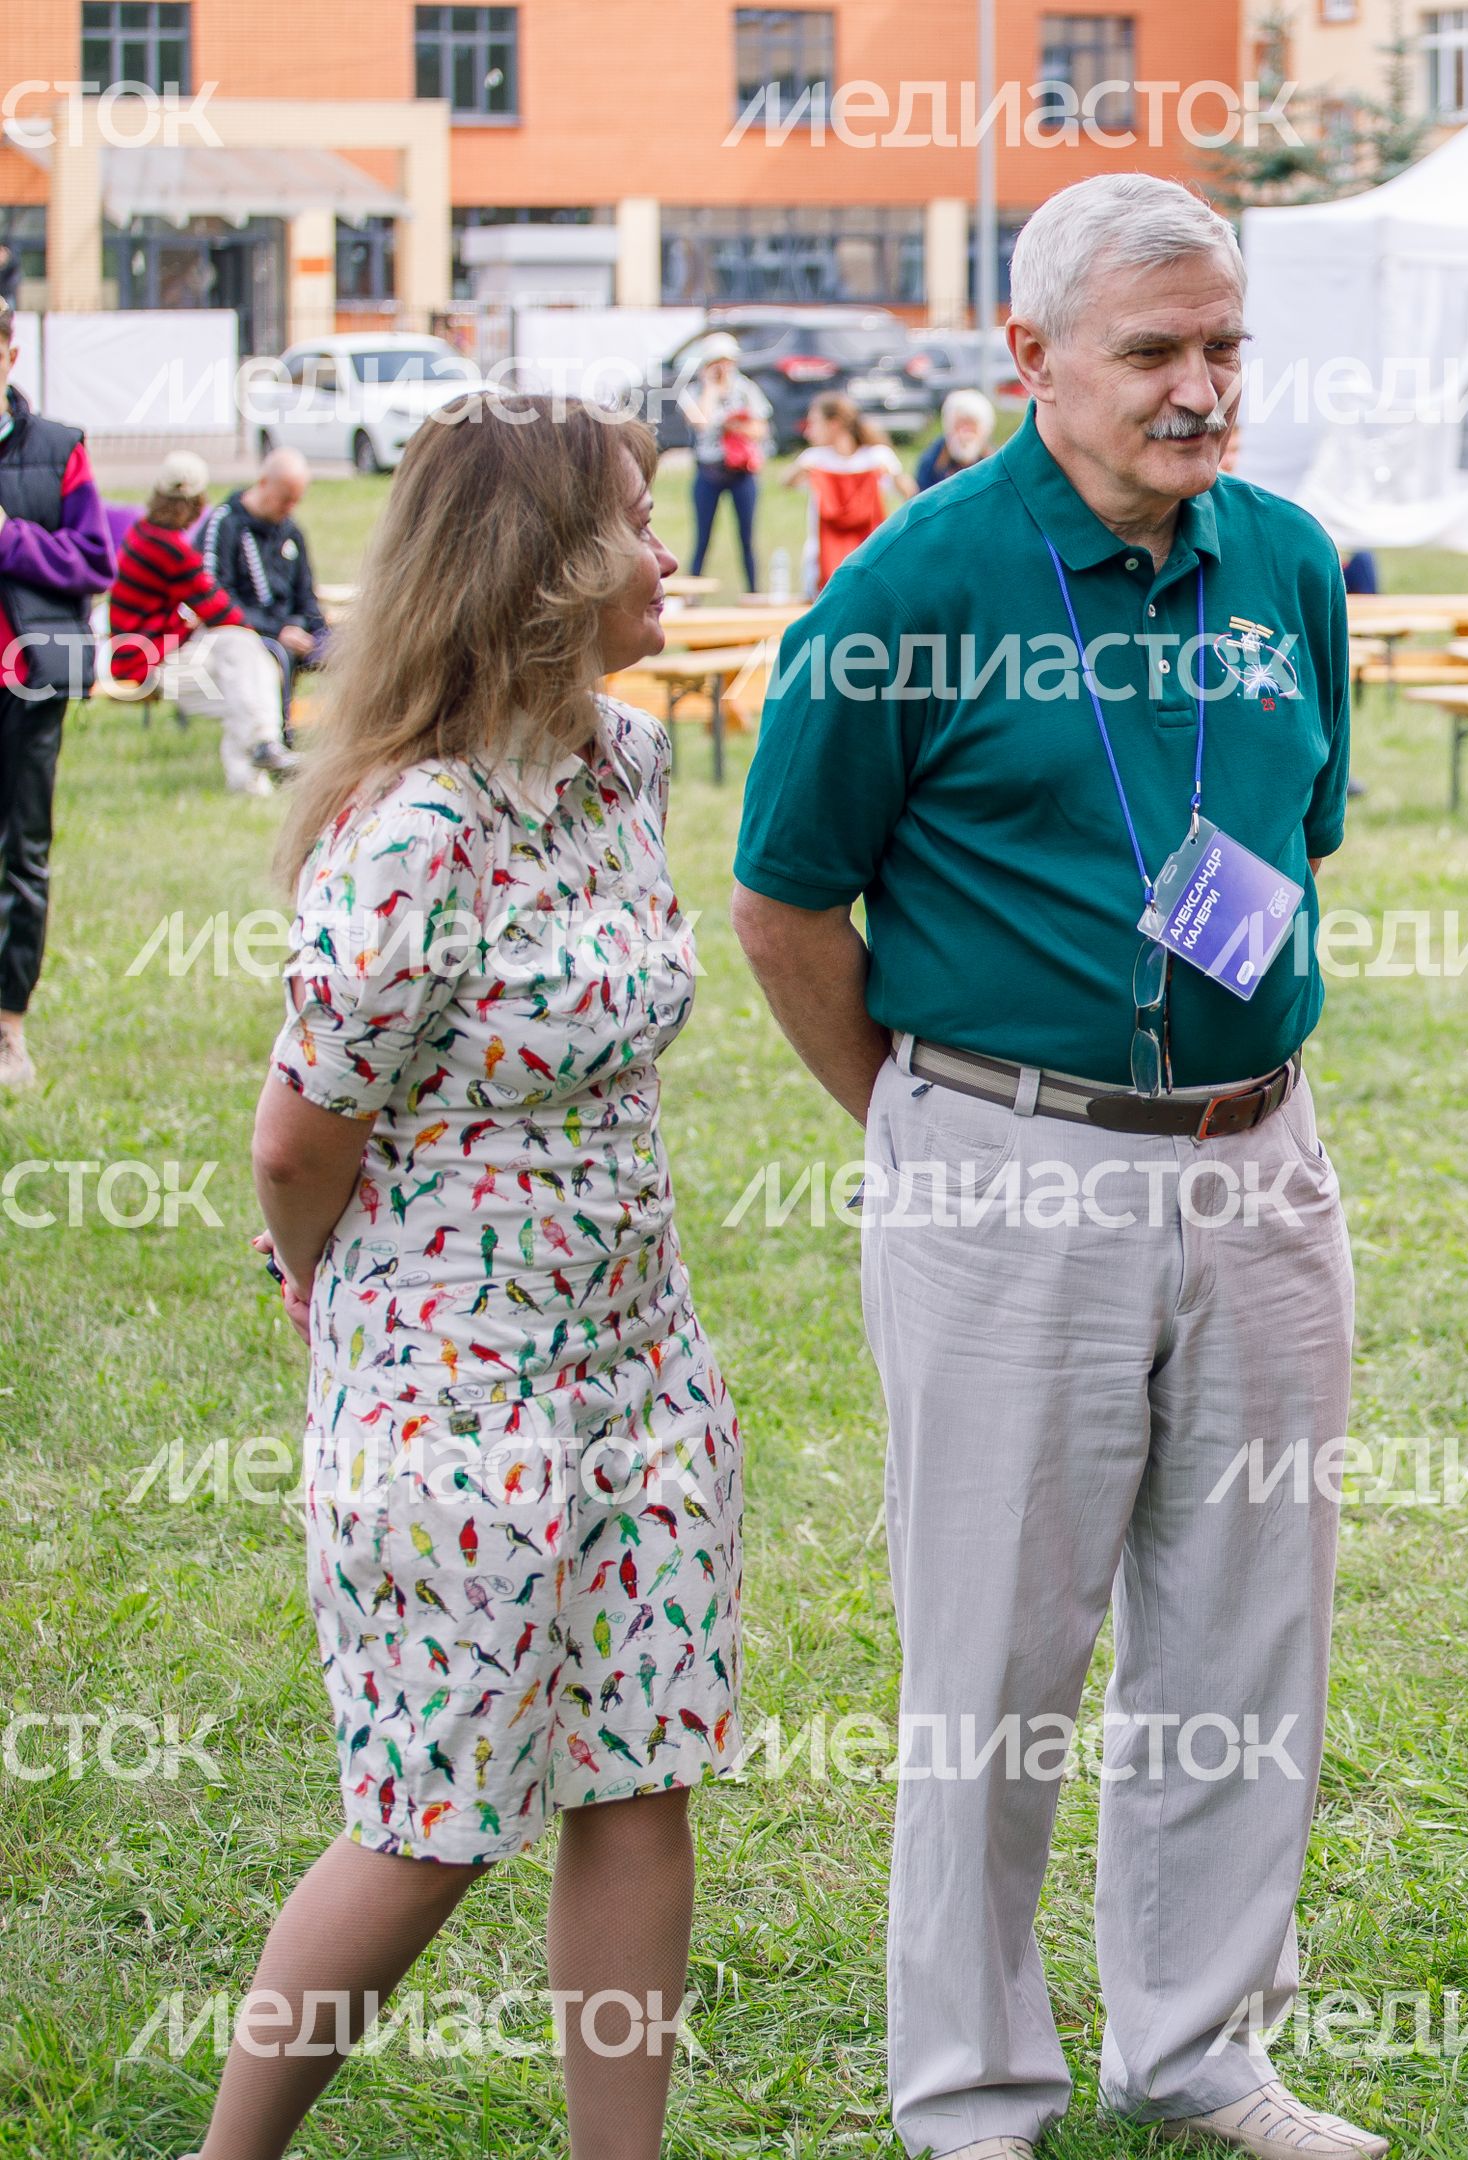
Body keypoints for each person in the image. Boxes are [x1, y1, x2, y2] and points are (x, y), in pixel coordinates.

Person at [730, 173, 1371, 2160]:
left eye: (1226, 348)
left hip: (1260, 1163)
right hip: (1007, 1172)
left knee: (1246, 1631)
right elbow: (784, 906)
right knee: (996, 1659)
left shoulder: (1284, 563)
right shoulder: (912, 586)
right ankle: (972, 2097)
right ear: (1031, 363)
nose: (1203, 390)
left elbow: (1303, 828)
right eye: (1156, 353)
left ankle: (1198, 2050)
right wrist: (928, 1137)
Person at [199, 393, 741, 2160]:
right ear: (541, 567)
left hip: (638, 1358)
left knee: (641, 1763)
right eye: (640, 524)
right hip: (453, 1382)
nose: (670, 555)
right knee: (432, 1810)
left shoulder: (621, 760)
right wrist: (317, 1292)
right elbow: (300, 1139)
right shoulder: (415, 834)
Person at [0, 301, 116, 1091]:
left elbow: (94, 561)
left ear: (10, 353)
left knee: (23, 854)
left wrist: (8, 535)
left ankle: (8, 1024)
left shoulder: (57, 447)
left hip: (30, 684)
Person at [106, 451, 294, 795]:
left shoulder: (143, 532)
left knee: (248, 675)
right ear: (198, 502)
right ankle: (264, 748)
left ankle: (256, 769)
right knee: (241, 651)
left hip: (141, 651)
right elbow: (222, 611)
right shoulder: (170, 550)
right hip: (142, 661)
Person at [206, 444, 330, 730]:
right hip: (254, 633)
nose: (289, 508)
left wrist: (316, 630)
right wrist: (278, 630)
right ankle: (279, 743)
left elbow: (305, 592)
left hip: (296, 628)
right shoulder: (226, 525)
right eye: (284, 500)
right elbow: (217, 598)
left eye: (295, 501)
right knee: (279, 654)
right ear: (264, 484)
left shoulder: (291, 530)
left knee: (356, 651)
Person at [788, 391, 907, 591]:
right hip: (823, 556)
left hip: (866, 551)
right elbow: (786, 482)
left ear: (834, 424)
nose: (808, 432)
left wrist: (892, 474)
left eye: (814, 423)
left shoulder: (876, 457)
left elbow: (908, 491)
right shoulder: (815, 459)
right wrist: (803, 470)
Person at [679, 336, 770, 593]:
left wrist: (735, 425)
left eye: (727, 362)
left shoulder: (745, 389)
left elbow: (760, 428)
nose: (723, 369)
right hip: (709, 470)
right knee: (702, 537)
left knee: (747, 537)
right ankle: (692, 594)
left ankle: (753, 593)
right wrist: (711, 388)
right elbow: (701, 421)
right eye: (716, 363)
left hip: (741, 472)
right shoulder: (695, 392)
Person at [917, 386, 997, 491]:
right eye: (960, 424)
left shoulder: (992, 459)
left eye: (971, 425)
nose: (965, 433)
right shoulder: (933, 458)